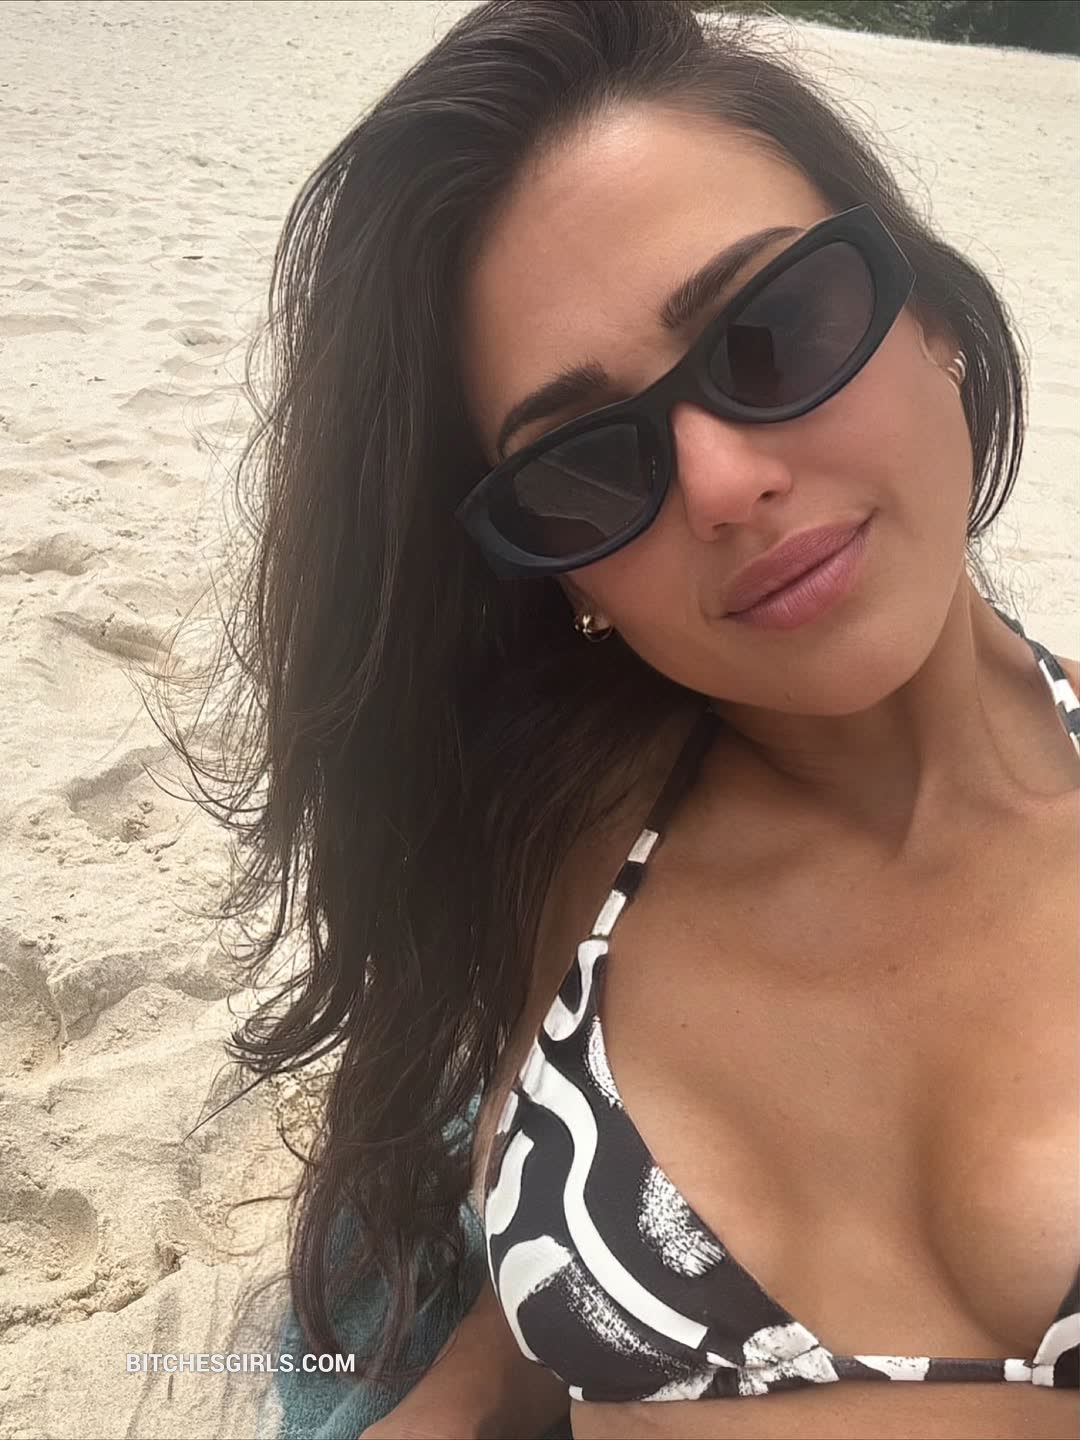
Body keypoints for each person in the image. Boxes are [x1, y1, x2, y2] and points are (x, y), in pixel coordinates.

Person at [168, 3, 1079, 1437]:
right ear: (565, 578)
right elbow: (559, 1278)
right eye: (585, 469)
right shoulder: (565, 821)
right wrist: (449, 1397)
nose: (722, 484)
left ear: (935, 320)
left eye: (771, 332)